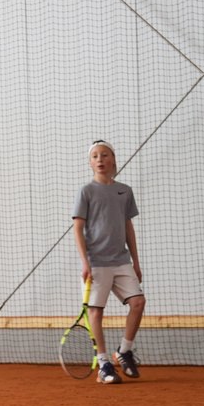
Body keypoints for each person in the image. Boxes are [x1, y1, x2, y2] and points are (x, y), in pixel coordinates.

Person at [72, 139, 146, 384]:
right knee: (95, 311)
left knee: (138, 302)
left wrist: (135, 262)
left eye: (104, 155)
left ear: (113, 159)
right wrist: (85, 263)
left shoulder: (124, 190)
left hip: (121, 261)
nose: (100, 160)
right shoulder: (86, 191)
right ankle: (104, 363)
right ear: (90, 162)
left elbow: (128, 226)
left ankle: (124, 352)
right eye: (95, 156)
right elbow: (78, 228)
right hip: (97, 263)